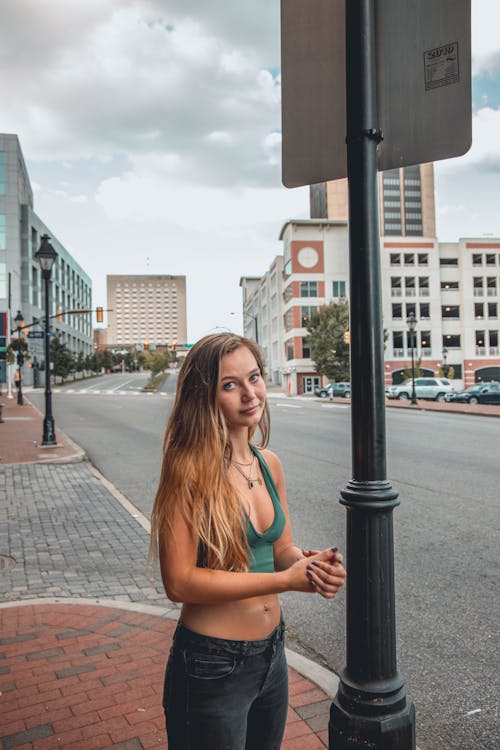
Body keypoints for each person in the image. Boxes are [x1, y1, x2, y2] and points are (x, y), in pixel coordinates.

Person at [150, 333, 346, 750]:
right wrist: (286, 581)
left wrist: (310, 567)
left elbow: (280, 553)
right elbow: (179, 583)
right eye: (229, 385)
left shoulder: (268, 462)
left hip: (272, 656)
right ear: (203, 396)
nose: (249, 394)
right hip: (211, 663)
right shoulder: (188, 471)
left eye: (253, 377)